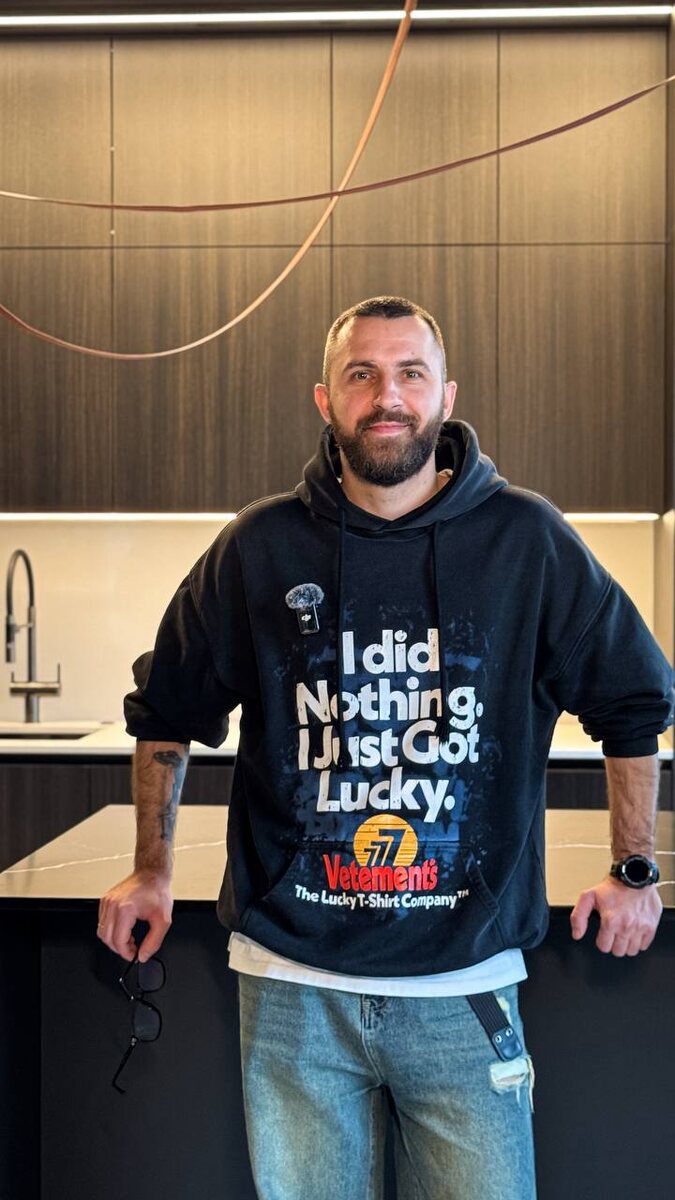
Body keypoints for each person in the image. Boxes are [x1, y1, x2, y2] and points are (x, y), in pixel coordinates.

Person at [98, 296, 673, 1200]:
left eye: (409, 373)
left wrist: (633, 869)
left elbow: (632, 697)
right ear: (325, 399)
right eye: (361, 374)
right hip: (291, 986)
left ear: (446, 394)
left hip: (463, 984)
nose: (387, 396)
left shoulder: (524, 541)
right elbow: (167, 707)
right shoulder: (259, 547)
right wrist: (150, 870)